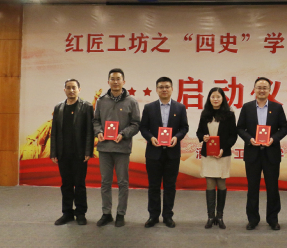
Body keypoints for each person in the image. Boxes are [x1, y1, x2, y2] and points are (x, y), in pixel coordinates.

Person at [237, 77, 287, 231]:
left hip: (271, 153)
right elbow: (240, 128)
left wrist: (273, 139)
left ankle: (273, 219)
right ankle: (253, 219)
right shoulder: (247, 107)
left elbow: (284, 128)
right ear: (254, 89)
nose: (261, 90)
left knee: (272, 188)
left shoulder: (277, 108)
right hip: (252, 153)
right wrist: (250, 139)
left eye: (265, 88)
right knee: (252, 188)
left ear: (269, 90)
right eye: (259, 87)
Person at [93, 68, 141, 227]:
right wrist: (99, 132)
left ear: (123, 81)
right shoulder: (101, 101)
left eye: (118, 79)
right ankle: (106, 213)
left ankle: (121, 213)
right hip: (104, 149)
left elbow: (136, 124)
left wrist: (123, 134)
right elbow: (95, 121)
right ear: (108, 81)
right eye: (112, 79)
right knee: (105, 182)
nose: (115, 81)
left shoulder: (131, 101)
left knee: (123, 182)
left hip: (122, 148)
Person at [139, 77, 189, 228]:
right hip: (154, 153)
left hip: (172, 154)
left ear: (172, 89)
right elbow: (143, 128)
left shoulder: (180, 108)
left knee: (170, 186)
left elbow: (184, 128)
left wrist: (176, 137)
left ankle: (168, 216)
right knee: (153, 186)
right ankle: (153, 216)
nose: (164, 89)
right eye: (161, 87)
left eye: (167, 87)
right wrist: (151, 138)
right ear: (157, 89)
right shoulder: (149, 107)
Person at [50, 79, 94, 226]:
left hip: (80, 154)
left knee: (80, 184)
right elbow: (54, 131)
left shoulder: (86, 107)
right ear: (64, 90)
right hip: (63, 153)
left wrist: (88, 151)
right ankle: (67, 213)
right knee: (66, 184)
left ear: (79, 90)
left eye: (74, 88)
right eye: (68, 88)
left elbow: (90, 131)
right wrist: (53, 152)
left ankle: (81, 213)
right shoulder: (59, 107)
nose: (71, 90)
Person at [196, 87, 238, 229]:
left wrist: (223, 149)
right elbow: (199, 132)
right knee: (209, 184)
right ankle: (210, 217)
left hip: (222, 154)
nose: (215, 99)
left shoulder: (229, 115)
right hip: (208, 155)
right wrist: (203, 137)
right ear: (209, 98)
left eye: (218, 97)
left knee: (221, 184)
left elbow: (233, 136)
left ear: (223, 98)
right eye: (213, 96)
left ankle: (219, 217)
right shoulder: (205, 114)